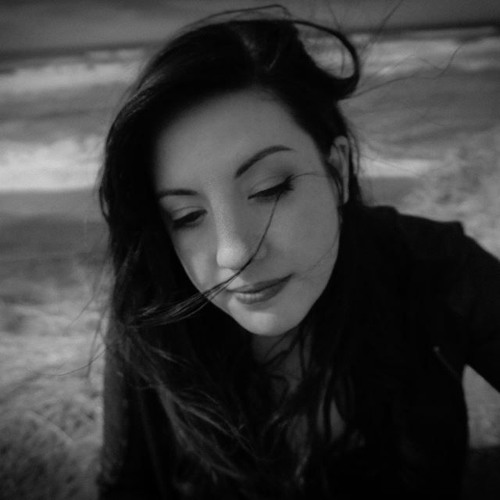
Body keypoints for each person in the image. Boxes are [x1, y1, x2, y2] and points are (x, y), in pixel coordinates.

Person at [96, 7, 500, 499]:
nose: (234, 254)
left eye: (269, 189)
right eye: (187, 216)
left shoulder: (433, 266)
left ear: (337, 172)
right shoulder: (153, 314)